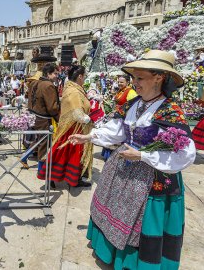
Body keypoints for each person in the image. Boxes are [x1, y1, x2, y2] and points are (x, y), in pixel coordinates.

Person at [69, 50, 196, 269]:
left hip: (152, 177)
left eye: (140, 78)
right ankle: (112, 254)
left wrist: (143, 155)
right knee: (114, 207)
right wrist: (89, 137)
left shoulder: (170, 112)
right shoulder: (134, 103)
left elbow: (186, 153)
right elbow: (118, 129)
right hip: (124, 167)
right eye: (133, 78)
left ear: (159, 77)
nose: (134, 83)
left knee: (140, 221)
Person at [37, 65, 93, 188]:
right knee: (66, 154)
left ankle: (70, 178)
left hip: (73, 127)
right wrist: (89, 118)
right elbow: (77, 113)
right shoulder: (73, 91)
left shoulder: (73, 88)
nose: (85, 79)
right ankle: (58, 177)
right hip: (73, 127)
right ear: (79, 77)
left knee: (64, 153)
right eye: (84, 76)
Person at [21, 63, 60, 171]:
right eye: (55, 73)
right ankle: (42, 171)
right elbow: (52, 108)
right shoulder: (49, 85)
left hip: (33, 116)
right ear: (48, 74)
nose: (57, 76)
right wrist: (59, 118)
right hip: (43, 119)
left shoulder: (34, 82)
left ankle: (24, 157)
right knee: (44, 144)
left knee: (38, 140)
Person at [102, 75, 138, 161]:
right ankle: (109, 155)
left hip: (123, 118)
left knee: (117, 136)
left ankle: (116, 157)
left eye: (121, 82)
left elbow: (132, 107)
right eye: (118, 82)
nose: (119, 84)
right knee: (112, 134)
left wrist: (121, 113)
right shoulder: (121, 91)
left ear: (127, 82)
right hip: (116, 116)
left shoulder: (131, 92)